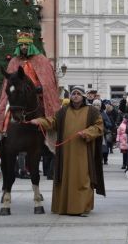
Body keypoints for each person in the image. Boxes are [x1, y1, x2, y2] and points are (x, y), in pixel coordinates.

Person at [30, 86, 105, 216]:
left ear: (83, 97)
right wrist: (40, 121)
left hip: (83, 151)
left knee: (82, 178)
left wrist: (87, 132)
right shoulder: (63, 111)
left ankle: (81, 208)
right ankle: (64, 207)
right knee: (64, 177)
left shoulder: (91, 111)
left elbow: (99, 126)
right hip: (65, 152)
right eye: (73, 93)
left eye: (78, 94)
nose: (75, 96)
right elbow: (52, 121)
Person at [0, 31, 60, 152]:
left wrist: (40, 88)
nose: (24, 47)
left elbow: (48, 80)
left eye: (26, 45)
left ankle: (50, 138)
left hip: (36, 93)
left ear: (31, 45)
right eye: (21, 45)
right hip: (18, 94)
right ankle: (0, 138)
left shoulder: (42, 60)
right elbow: (8, 82)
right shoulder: (14, 61)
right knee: (5, 108)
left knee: (48, 109)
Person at [92, 99, 112, 165]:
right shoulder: (90, 113)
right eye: (94, 105)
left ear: (100, 106)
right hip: (92, 133)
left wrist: (104, 122)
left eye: (97, 105)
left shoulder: (103, 113)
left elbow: (110, 124)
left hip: (102, 133)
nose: (96, 106)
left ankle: (104, 159)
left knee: (103, 148)